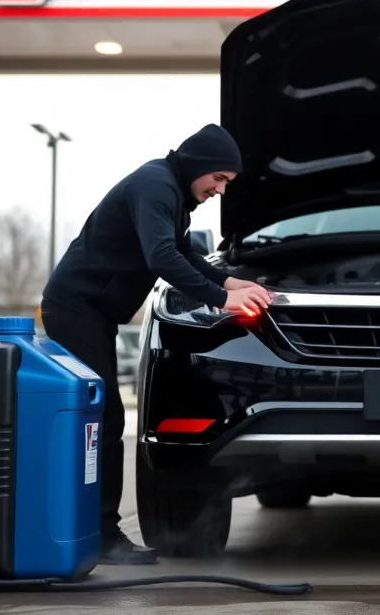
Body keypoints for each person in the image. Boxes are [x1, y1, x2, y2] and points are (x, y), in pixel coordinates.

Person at [39, 124, 272, 565]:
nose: (221, 190)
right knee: (103, 420)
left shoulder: (170, 193)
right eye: (219, 179)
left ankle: (89, 530)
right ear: (200, 166)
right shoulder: (155, 186)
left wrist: (227, 278)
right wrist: (224, 299)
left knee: (97, 421)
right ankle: (102, 535)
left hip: (93, 311)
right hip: (75, 307)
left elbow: (183, 252)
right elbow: (161, 257)